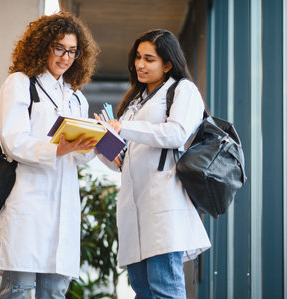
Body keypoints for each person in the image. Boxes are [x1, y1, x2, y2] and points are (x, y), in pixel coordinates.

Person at [96, 29, 211, 299]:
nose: (140, 64)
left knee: (165, 290)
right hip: (133, 210)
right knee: (142, 291)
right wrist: (105, 142)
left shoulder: (182, 90)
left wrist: (124, 127)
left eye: (149, 59)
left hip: (162, 207)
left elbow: (177, 133)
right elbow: (123, 161)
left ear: (168, 64)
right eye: (137, 57)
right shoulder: (134, 100)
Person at [0, 11, 99, 298]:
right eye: (59, 48)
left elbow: (80, 157)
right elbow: (12, 140)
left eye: (73, 51)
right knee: (18, 290)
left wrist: (95, 142)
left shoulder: (76, 97)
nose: (66, 57)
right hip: (28, 201)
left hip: (63, 207)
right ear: (42, 46)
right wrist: (57, 149)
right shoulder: (20, 83)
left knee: (53, 293)